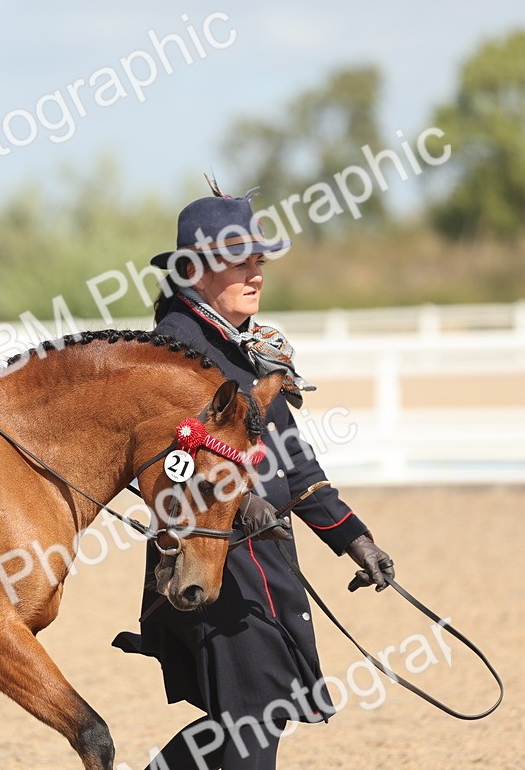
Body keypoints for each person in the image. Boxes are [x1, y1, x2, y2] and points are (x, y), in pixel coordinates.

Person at [116, 187, 395, 769]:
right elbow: (166, 463)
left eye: (258, 261)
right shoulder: (171, 352)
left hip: (263, 565)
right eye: (238, 261)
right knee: (253, 718)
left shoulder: (249, 352)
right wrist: (238, 503)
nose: (255, 274)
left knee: (246, 719)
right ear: (193, 270)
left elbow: (297, 468)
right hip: (211, 559)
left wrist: (354, 539)